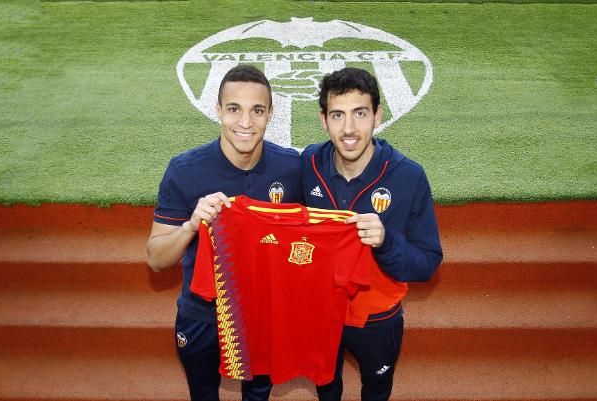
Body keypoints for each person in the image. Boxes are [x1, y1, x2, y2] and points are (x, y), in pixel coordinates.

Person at [146, 64, 302, 401]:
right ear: (218, 111)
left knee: (258, 394)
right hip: (201, 314)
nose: (245, 122)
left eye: (257, 110)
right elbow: (157, 259)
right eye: (234, 109)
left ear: (270, 113)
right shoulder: (184, 170)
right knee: (203, 394)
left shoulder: (291, 168)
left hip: (262, 315)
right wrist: (191, 224)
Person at [301, 67, 443, 401]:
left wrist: (386, 241)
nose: (349, 129)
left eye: (360, 114)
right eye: (338, 115)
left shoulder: (408, 176)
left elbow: (428, 263)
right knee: (326, 385)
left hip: (378, 319)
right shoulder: (308, 164)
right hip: (322, 312)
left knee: (377, 389)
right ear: (324, 120)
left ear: (377, 115)